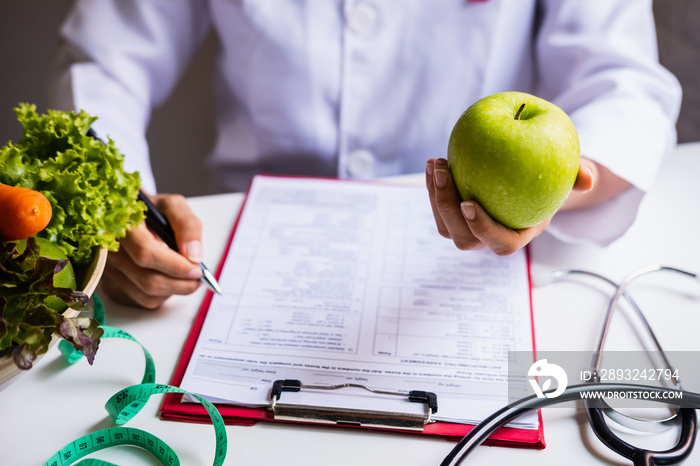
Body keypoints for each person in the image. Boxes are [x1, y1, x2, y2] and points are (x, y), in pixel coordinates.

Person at [49, 0, 681, 309]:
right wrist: (112, 211)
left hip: (483, 272)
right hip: (245, 240)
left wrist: (553, 189)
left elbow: (624, 84)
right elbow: (103, 62)